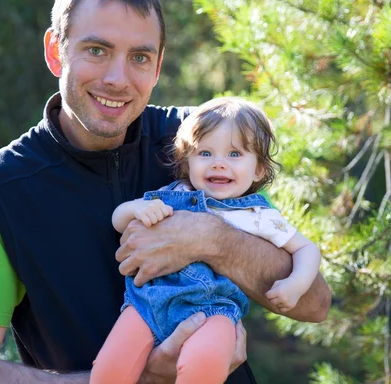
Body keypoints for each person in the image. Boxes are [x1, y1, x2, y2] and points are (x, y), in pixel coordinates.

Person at [0, 0, 331, 383]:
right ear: (56, 51)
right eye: (97, 50)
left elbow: (314, 304)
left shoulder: (204, 146)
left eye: (140, 57)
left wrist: (214, 239)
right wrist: (141, 380)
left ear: (157, 67)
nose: (118, 79)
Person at [90, 97, 322, 384]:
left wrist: (295, 284)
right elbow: (118, 218)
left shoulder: (257, 215)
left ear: (259, 169)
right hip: (146, 305)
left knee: (204, 364)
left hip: (213, 312)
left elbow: (306, 248)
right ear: (188, 161)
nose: (219, 164)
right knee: (109, 371)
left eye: (235, 154)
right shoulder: (173, 194)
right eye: (205, 153)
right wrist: (138, 209)